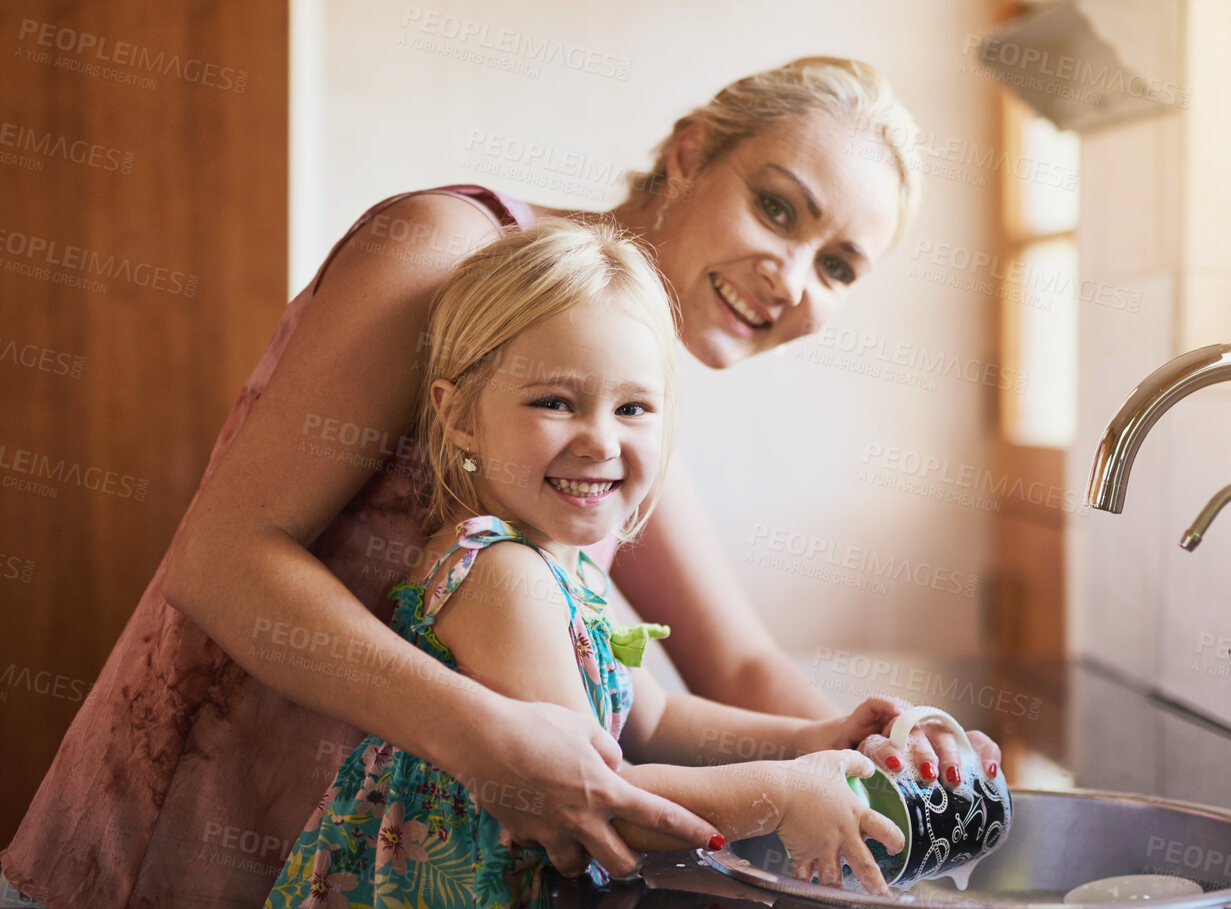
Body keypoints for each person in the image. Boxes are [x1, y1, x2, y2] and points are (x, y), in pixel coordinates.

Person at [2, 57, 995, 909]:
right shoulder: (448, 254)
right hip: (192, 849)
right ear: (690, 152)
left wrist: (879, 756)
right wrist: (493, 744)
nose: (791, 275)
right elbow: (221, 560)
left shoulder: (604, 422)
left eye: (840, 266)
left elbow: (723, 674)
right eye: (777, 207)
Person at [265, 219, 908, 906]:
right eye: (555, 401)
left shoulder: (564, 568)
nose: (601, 438)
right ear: (459, 418)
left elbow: (655, 722)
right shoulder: (501, 575)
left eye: (632, 407)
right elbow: (610, 798)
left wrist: (814, 737)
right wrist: (777, 795)